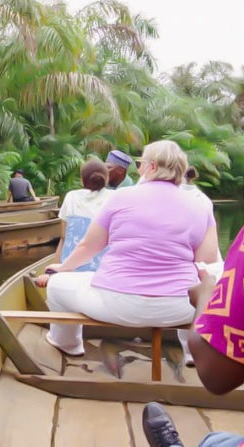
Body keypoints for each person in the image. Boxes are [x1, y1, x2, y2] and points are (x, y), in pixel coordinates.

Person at [39, 140, 219, 358]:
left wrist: (62, 268)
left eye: (140, 163)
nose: (139, 169)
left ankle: (68, 344)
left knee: (57, 284)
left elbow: (89, 246)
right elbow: (207, 262)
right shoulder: (202, 206)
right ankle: (194, 351)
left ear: (152, 167)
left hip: (116, 303)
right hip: (181, 307)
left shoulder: (121, 197)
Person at [142, 194, 244, 447]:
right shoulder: (199, 203)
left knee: (212, 442)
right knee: (219, 439)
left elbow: (217, 374)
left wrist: (205, 294)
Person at [37, 159, 114, 286]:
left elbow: (64, 238)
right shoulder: (115, 197)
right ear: (106, 179)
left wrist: (51, 273)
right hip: (101, 276)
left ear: (82, 180)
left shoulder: (71, 197)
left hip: (69, 275)